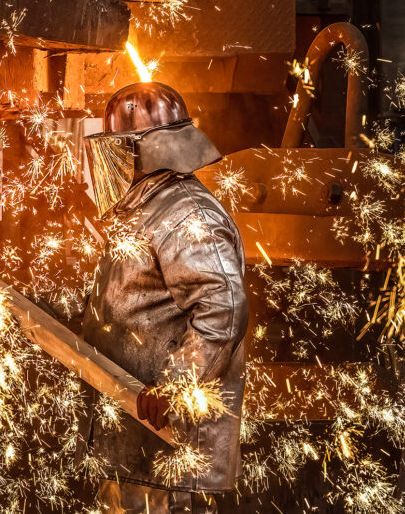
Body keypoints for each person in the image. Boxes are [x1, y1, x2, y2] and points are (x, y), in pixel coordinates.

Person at [82, 81, 248, 514]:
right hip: (141, 449)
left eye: (119, 147)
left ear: (145, 149)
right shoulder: (151, 208)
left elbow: (223, 309)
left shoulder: (184, 214)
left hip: (173, 451)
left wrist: (176, 387)